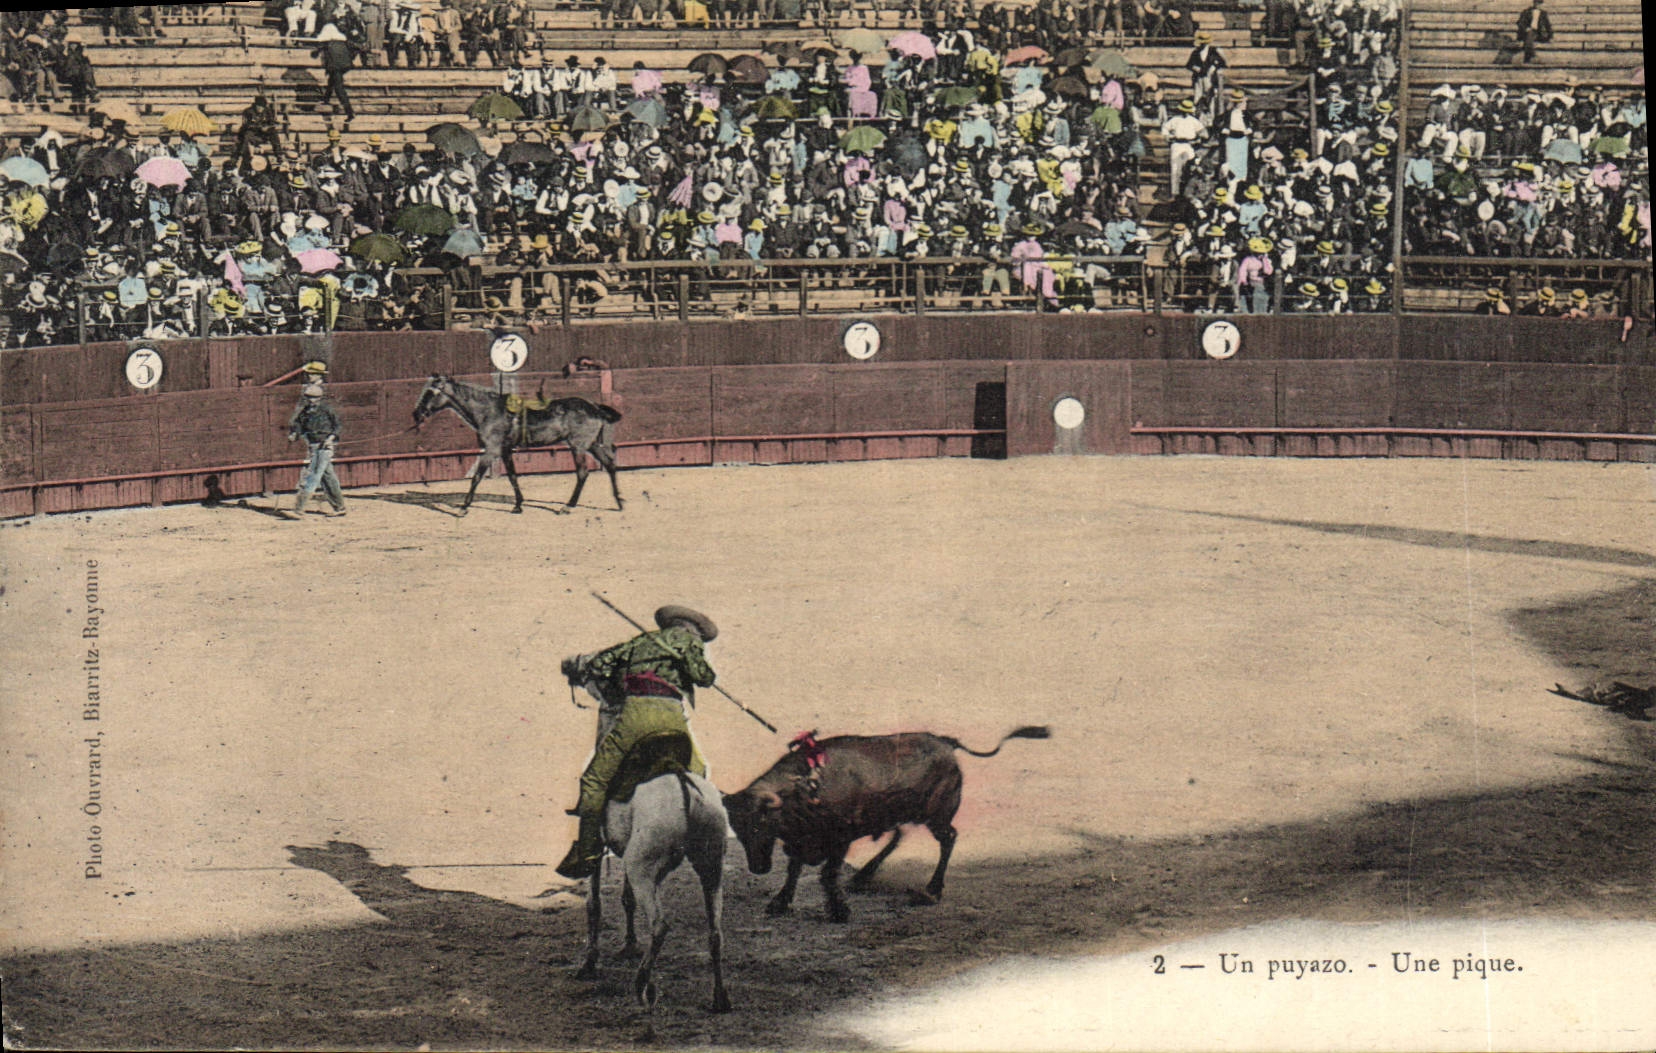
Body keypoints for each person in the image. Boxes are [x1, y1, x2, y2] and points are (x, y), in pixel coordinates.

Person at [554, 605, 720, 879]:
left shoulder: (641, 641)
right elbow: (704, 677)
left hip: (636, 717)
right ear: (693, 629)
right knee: (698, 771)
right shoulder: (690, 642)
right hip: (672, 719)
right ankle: (696, 836)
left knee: (594, 780)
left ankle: (588, 850)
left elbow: (599, 665)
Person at [285, 378, 348, 516]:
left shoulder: (327, 410)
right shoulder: (305, 412)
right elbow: (299, 426)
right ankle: (340, 507)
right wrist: (294, 434)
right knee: (328, 477)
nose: (311, 400)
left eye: (314, 398)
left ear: (320, 398)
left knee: (312, 475)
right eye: (308, 398)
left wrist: (330, 438)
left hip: (324, 446)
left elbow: (337, 426)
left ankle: (298, 509)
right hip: (313, 446)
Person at [1515, 0, 1551, 65]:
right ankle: (1532, 56)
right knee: (1529, 35)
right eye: (1537, 3)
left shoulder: (1544, 13)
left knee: (1529, 37)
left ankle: (1528, 58)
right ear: (1534, 3)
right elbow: (1519, 22)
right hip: (1527, 32)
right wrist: (1526, 28)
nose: (1538, 5)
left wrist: (1551, 36)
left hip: (1539, 33)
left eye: (1540, 3)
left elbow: (1548, 25)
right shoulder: (1526, 12)